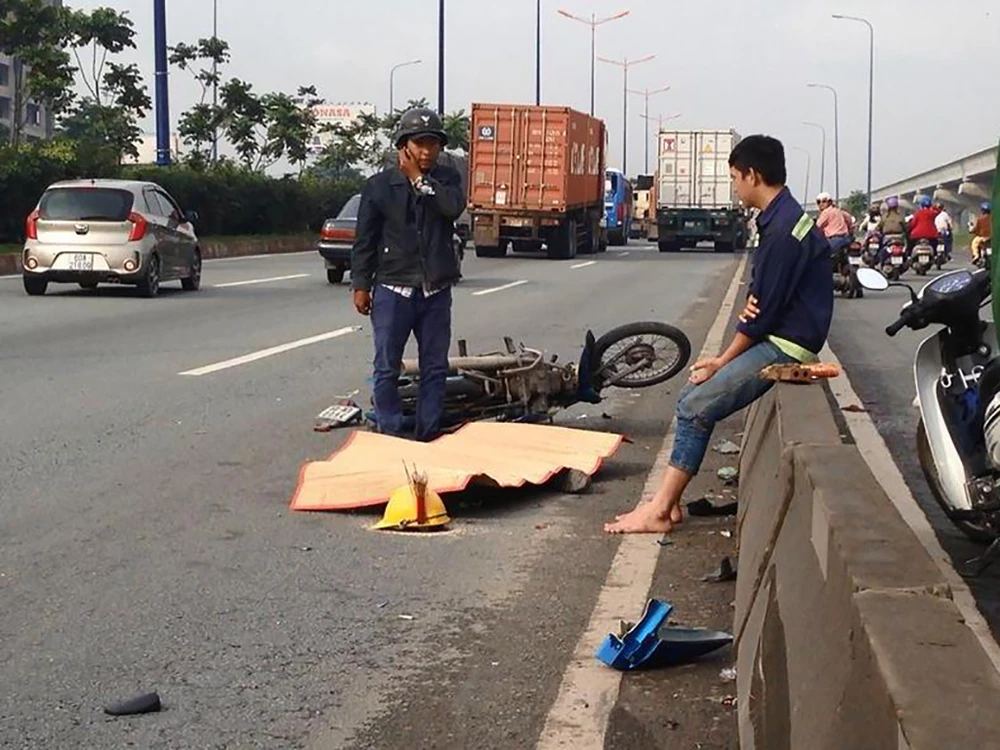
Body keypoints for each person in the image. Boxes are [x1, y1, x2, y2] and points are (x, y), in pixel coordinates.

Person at [605, 135, 833, 534]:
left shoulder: (781, 231)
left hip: (787, 346)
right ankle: (669, 504)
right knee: (689, 394)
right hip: (782, 335)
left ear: (753, 174)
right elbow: (760, 300)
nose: (734, 186)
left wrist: (723, 359)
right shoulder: (783, 218)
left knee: (697, 407)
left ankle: (658, 511)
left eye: (734, 178)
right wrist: (752, 307)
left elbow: (761, 315)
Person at [350, 107, 467, 442]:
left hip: (435, 291)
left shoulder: (447, 181)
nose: (427, 151)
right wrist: (361, 286)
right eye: (420, 144)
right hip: (393, 289)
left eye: (433, 144)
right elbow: (365, 241)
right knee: (387, 367)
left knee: (435, 368)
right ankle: (390, 430)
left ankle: (427, 433)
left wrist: (420, 180)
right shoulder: (378, 186)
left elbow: (451, 208)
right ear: (404, 145)